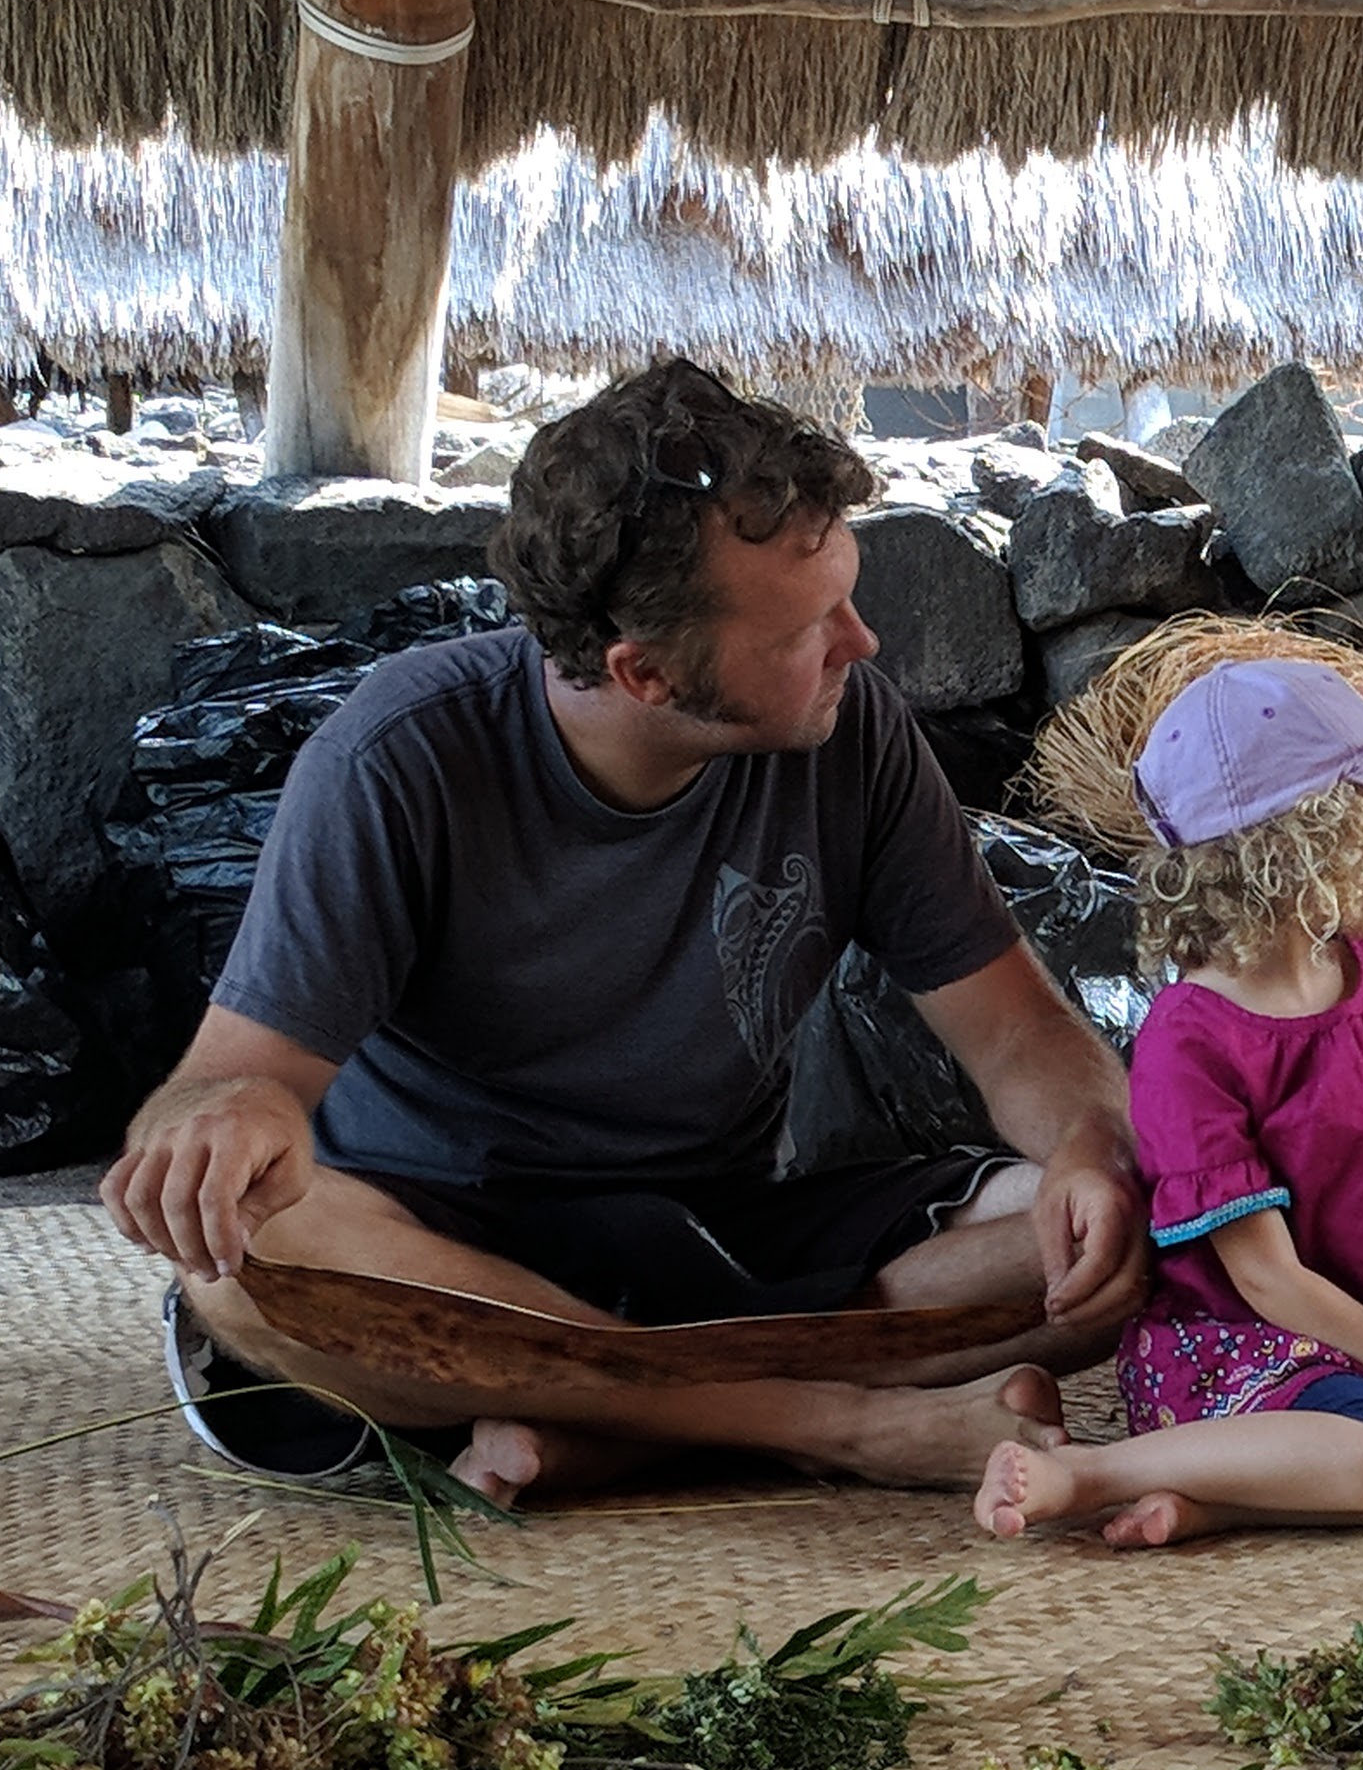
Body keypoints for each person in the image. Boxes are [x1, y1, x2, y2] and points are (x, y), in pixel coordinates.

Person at [103, 358, 1145, 1505]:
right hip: (450, 1252)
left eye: (848, 595)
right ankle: (830, 1424)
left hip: (722, 1239)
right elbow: (225, 1084)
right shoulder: (399, 756)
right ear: (643, 671)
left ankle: (626, 1424)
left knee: (1107, 1232)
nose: (863, 642)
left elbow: (1015, 1036)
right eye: (809, 624)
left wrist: (1094, 1147)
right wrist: (227, 1123)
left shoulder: (854, 735)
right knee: (249, 1262)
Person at [974, 661, 1363, 1545]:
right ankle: (1090, 1474)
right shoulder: (1188, 1042)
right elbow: (1265, 1277)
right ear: (1308, 844)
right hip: (1240, 1341)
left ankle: (1226, 1497)